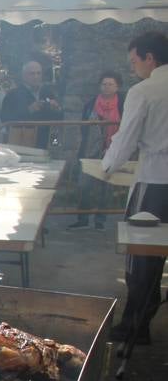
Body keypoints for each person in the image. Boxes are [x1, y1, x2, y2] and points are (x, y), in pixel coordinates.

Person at [103, 32, 168, 343]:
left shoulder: (145, 90)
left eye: (134, 61)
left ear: (150, 58)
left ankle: (135, 326)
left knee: (141, 259)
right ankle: (139, 322)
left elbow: (126, 137)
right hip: (155, 171)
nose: (133, 68)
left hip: (154, 182)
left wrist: (107, 166)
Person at [69, 70, 126, 231]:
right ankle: (82, 218)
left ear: (117, 86)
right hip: (91, 149)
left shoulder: (123, 104)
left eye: (110, 84)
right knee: (84, 185)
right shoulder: (91, 104)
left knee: (105, 187)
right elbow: (83, 128)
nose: (106, 87)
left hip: (113, 149)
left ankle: (100, 220)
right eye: (104, 84)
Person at [1, 60, 62, 148]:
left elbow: (58, 119)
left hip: (44, 144)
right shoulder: (12, 95)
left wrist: (57, 109)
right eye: (32, 74)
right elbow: (6, 119)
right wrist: (29, 110)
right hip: (22, 145)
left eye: (38, 73)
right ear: (24, 76)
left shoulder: (48, 93)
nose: (36, 77)